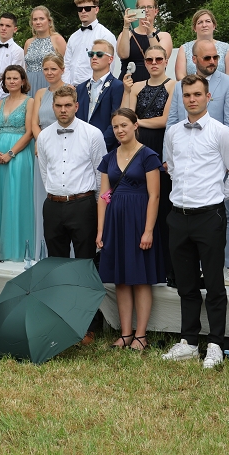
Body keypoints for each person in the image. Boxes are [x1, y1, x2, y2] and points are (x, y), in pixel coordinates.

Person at [162, 74, 229, 369]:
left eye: (197, 94)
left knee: (214, 283)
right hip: (178, 215)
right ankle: (188, 341)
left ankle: (216, 344)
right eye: (187, 95)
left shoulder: (221, 132)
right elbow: (172, 167)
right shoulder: (173, 132)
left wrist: (218, 196)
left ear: (208, 97)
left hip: (209, 216)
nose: (192, 99)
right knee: (185, 284)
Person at [166, 39, 229, 286]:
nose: (212, 62)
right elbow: (172, 120)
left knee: (225, 215)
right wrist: (170, 159)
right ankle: (196, 268)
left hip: (217, 158)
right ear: (194, 60)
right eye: (207, 58)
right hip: (186, 159)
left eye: (215, 57)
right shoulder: (181, 86)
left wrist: (222, 167)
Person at [36, 86, 108, 344]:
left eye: (68, 105)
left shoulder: (93, 134)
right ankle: (62, 319)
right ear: (53, 107)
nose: (63, 110)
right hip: (53, 205)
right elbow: (45, 172)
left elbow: (101, 177)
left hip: (83, 204)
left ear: (77, 106)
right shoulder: (44, 136)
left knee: (85, 266)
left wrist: (98, 210)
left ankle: (90, 324)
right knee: (57, 266)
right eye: (58, 106)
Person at [96, 108, 162, 349]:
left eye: (124, 125)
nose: (119, 130)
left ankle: (141, 336)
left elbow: (154, 196)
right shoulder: (108, 158)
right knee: (121, 279)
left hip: (139, 220)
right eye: (115, 126)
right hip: (115, 222)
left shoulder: (148, 156)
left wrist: (148, 230)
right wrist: (101, 230)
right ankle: (125, 333)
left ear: (135, 125)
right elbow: (104, 196)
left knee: (140, 279)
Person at [122, 45, 176, 284]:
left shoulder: (173, 85)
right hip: (137, 147)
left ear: (166, 61)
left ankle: (166, 267)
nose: (154, 63)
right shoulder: (135, 87)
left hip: (159, 146)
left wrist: (137, 122)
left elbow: (165, 120)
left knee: (162, 206)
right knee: (139, 204)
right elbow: (125, 117)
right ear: (144, 62)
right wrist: (127, 92)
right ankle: (140, 264)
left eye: (158, 59)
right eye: (149, 59)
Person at [0, 65, 36, 261]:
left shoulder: (29, 102)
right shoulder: (1, 102)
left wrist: (11, 153)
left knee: (14, 197)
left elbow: (29, 132)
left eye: (15, 78)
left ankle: (15, 247)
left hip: (18, 155)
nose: (11, 81)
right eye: (8, 78)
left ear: (23, 81)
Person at [31, 53, 66, 253]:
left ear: (62, 69)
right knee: (42, 196)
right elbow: (34, 123)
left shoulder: (70, 90)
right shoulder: (40, 93)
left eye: (54, 68)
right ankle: (42, 249)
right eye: (46, 69)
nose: (49, 72)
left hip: (62, 145)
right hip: (42, 147)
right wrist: (40, 141)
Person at [76, 40, 125, 151]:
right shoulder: (80, 88)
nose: (94, 57)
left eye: (99, 54)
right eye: (91, 54)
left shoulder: (118, 86)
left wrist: (100, 144)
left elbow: (116, 120)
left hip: (106, 147)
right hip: (80, 146)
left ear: (110, 59)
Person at [63, 0, 119, 85]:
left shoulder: (106, 35)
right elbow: (67, 64)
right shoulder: (73, 37)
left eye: (87, 8)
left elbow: (111, 65)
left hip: (95, 87)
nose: (83, 11)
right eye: (80, 9)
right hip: (71, 88)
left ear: (96, 10)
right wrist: (67, 85)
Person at [117, 0, 173, 84]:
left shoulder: (164, 36)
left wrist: (150, 33)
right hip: (128, 83)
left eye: (149, 7)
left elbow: (160, 56)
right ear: (137, 11)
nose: (146, 10)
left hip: (154, 84)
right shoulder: (127, 34)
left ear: (156, 11)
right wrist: (126, 26)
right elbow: (123, 55)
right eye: (142, 8)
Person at [175, 8, 229, 79]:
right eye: (200, 22)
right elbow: (180, 76)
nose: (204, 25)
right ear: (195, 28)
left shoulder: (226, 48)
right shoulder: (184, 49)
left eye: (208, 21)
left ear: (214, 26)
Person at [23, 6, 67, 93]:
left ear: (49, 21)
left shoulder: (57, 39)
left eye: (41, 19)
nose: (38, 22)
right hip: (30, 84)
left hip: (49, 82)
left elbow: (65, 65)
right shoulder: (28, 42)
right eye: (35, 19)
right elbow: (26, 66)